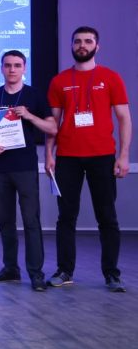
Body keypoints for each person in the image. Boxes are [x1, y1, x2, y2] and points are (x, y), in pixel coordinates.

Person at [45, 26, 132, 292]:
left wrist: (124, 155)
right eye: (77, 41)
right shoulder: (59, 81)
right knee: (66, 217)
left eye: (88, 41)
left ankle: (112, 274)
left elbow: (124, 118)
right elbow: (53, 124)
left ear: (97, 46)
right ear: (72, 46)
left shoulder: (111, 78)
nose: (82, 45)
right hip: (67, 158)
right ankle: (65, 271)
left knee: (107, 217)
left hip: (102, 157)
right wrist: (49, 154)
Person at [0, 50, 57, 292]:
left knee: (31, 220)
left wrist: (30, 115)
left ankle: (36, 273)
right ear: (1, 68)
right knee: (5, 221)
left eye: (16, 65)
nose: (12, 69)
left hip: (25, 168)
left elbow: (52, 128)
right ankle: (10, 269)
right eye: (7, 65)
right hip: (1, 168)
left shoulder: (34, 95)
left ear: (24, 68)